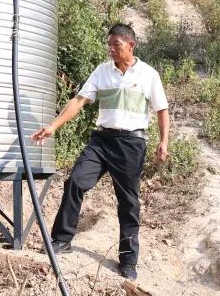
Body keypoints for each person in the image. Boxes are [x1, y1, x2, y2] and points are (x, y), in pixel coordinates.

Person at [31, 23, 169, 280]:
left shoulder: (149, 74)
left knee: (128, 203)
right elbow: (79, 101)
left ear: (131, 45)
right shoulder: (102, 72)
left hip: (131, 144)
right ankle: (61, 239)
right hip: (102, 141)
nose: (112, 50)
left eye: (116, 45)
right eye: (110, 45)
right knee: (75, 181)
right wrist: (53, 126)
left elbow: (162, 110)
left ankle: (128, 261)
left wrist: (164, 141)